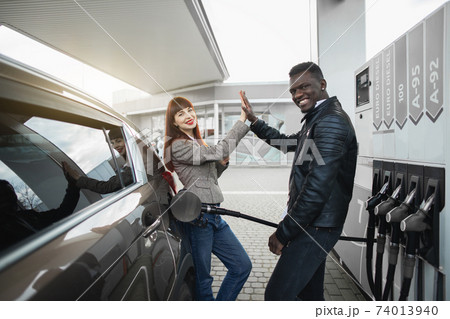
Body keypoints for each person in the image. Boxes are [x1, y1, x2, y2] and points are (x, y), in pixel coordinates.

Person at [240, 62, 358, 301]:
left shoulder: (330, 122)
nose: (297, 95)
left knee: (277, 296)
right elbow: (286, 143)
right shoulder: (316, 120)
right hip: (314, 224)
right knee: (309, 296)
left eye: (304, 87)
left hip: (316, 227)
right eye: (293, 90)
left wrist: (284, 233)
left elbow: (316, 190)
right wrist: (253, 121)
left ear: (322, 85)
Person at [164, 96, 252, 301]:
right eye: (180, 113)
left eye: (189, 110)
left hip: (214, 215)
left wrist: (221, 163)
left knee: (241, 266)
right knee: (203, 279)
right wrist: (242, 118)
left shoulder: (196, 142)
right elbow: (221, 149)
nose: (188, 115)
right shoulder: (178, 145)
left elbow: (209, 179)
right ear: (174, 122)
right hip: (199, 218)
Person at [0, 166, 80, 251]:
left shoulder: (28, 216)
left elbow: (62, 213)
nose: (10, 198)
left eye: (10, 194)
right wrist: (73, 186)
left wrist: (73, 186)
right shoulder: (27, 217)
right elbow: (62, 212)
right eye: (4, 196)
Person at [63, 128, 134, 194]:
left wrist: (79, 178)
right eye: (112, 143)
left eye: (118, 141)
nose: (114, 146)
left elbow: (106, 187)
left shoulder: (136, 161)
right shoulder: (131, 160)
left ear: (128, 139)